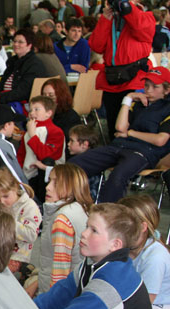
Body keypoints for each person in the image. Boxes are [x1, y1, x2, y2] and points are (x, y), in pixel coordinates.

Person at [70, 66, 170, 202]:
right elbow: (119, 128)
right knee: (75, 164)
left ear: (166, 90)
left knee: (118, 176)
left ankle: (107, 212)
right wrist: (128, 98)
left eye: (155, 87)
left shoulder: (167, 109)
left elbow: (160, 140)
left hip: (143, 152)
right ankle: (74, 203)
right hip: (119, 145)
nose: (149, 90)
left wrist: (131, 133)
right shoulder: (138, 103)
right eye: (146, 85)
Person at [89, 0, 155, 138]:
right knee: (113, 127)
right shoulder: (111, 20)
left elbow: (140, 28)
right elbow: (96, 46)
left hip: (135, 78)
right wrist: (105, 20)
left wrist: (128, 9)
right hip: (112, 79)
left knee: (131, 124)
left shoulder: (145, 16)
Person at [26, 163, 92, 297]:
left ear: (72, 187)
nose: (48, 187)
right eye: (49, 181)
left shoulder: (62, 219)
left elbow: (60, 272)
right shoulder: (81, 209)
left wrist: (48, 303)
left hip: (59, 296)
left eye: (56, 183)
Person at [119, 194, 170, 309]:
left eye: (123, 225)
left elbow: (144, 304)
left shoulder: (155, 257)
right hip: (137, 308)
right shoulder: (127, 247)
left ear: (142, 227)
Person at [0, 168, 41, 281]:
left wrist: (7, 221)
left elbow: (31, 235)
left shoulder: (29, 206)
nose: (2, 202)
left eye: (6, 196)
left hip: (18, 257)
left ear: (15, 188)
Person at [0, 29, 46, 115]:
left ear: (29, 45)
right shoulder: (13, 61)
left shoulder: (34, 64)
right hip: (5, 100)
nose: (16, 44)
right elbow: (2, 82)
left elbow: (23, 92)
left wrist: (0, 99)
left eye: (20, 42)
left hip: (19, 105)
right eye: (15, 41)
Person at [18, 95, 65, 200]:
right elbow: (22, 154)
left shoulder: (55, 131)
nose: (32, 113)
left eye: (37, 109)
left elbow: (46, 155)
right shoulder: (29, 131)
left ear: (48, 113)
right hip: (28, 175)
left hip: (47, 176)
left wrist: (33, 136)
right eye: (30, 110)